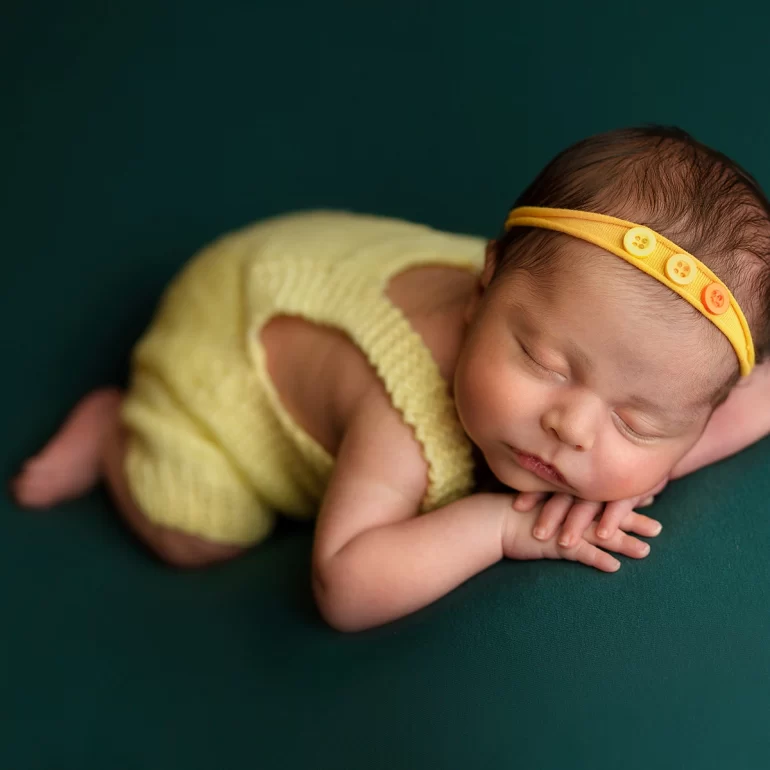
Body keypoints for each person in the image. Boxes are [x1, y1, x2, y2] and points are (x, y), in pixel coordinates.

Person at [12, 126, 770, 632]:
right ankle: (117, 428)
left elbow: (736, 398)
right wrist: (503, 526)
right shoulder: (404, 413)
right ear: (486, 284)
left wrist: (647, 466)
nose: (571, 427)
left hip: (321, 254)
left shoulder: (575, 310)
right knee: (194, 530)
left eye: (638, 419)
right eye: (543, 362)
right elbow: (345, 584)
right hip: (224, 351)